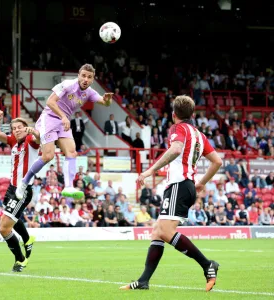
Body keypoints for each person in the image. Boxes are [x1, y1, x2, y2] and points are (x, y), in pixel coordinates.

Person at [120, 95, 223, 292]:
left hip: (178, 185)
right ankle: (143, 281)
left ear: (173, 114)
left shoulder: (177, 128)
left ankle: (207, 264)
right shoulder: (200, 135)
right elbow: (217, 161)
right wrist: (201, 183)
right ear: (192, 114)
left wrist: (150, 170)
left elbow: (176, 149)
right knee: (157, 232)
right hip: (186, 185)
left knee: (166, 232)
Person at [15, 64, 113, 200]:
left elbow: (104, 101)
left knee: (72, 152)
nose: (86, 79)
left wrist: (107, 101)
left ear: (92, 80)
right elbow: (50, 102)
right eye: (83, 75)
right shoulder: (68, 84)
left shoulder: (89, 92)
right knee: (48, 156)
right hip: (49, 118)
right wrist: (63, 117)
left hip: (63, 121)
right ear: (78, 75)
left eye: (89, 77)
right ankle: (24, 182)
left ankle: (68, 186)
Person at [0, 109, 39, 272]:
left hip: (23, 189)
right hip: (12, 187)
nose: (16, 130)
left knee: (4, 228)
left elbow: (40, 139)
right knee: (10, 220)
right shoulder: (13, 141)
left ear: (26, 128)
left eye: (20, 127)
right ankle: (27, 238)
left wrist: (34, 131)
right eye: (14, 128)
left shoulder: (31, 141)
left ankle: (20, 260)